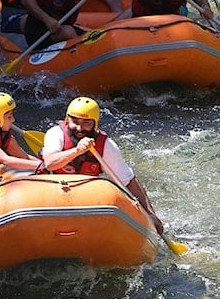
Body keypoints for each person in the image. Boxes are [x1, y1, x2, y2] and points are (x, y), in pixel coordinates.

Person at [40, 96, 163, 234]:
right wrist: (77, 151)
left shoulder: (106, 146)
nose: (79, 128)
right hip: (54, 191)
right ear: (67, 120)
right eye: (75, 121)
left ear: (95, 124)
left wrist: (150, 214)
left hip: (86, 196)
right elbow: (50, 163)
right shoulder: (55, 134)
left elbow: (128, 181)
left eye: (86, 122)